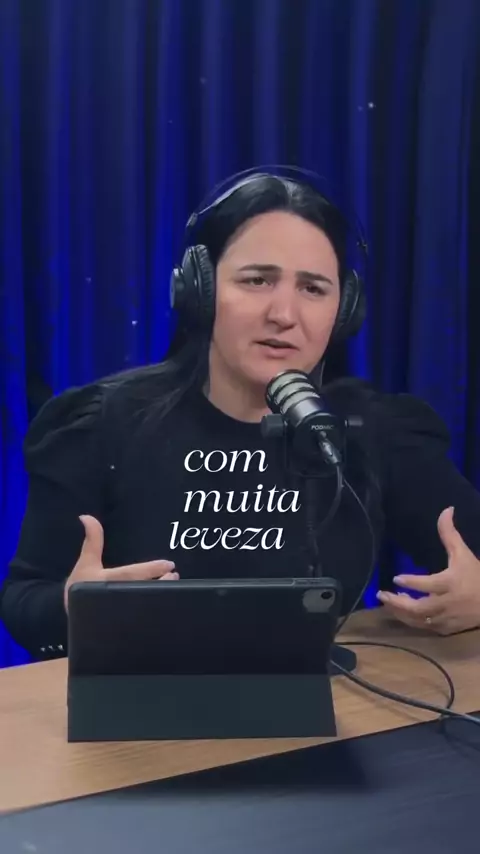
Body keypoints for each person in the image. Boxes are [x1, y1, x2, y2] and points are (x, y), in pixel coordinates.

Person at [1, 168, 480, 660]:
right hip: (144, 700)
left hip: (332, 701)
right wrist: (73, 606)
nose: (284, 314)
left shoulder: (373, 430)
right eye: (257, 280)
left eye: (313, 288)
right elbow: (24, 600)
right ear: (200, 290)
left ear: (345, 309)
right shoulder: (102, 424)